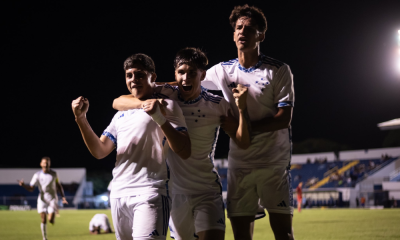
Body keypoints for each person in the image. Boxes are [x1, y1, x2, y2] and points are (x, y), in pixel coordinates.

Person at [113, 47, 251, 240]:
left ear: (202, 75)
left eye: (192, 73)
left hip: (206, 190)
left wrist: (242, 109)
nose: (186, 78)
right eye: (181, 72)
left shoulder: (217, 104)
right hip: (174, 194)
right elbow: (118, 101)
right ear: (175, 74)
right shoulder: (166, 95)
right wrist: (147, 104)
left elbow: (243, 141)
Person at [71, 53, 190, 240]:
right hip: (119, 193)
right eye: (129, 75)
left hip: (151, 191)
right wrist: (81, 119)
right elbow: (100, 151)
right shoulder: (121, 114)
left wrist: (159, 117)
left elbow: (184, 149)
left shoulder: (167, 106)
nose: (134, 79)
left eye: (140, 74)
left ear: (153, 77)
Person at [201, 4, 295, 240]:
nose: (242, 31)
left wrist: (245, 129)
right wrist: (150, 88)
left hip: (273, 164)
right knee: (242, 236)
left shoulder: (279, 70)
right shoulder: (221, 71)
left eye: (249, 28)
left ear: (261, 35)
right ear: (233, 35)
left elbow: (284, 119)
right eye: (238, 27)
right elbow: (187, 82)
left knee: (283, 233)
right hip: (239, 164)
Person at [18, 156, 68, 240]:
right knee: (43, 219)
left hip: (52, 199)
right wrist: (24, 186)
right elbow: (31, 188)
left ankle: (52, 216)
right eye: (44, 162)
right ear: (41, 164)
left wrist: (63, 197)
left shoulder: (54, 174)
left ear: (50, 164)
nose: (46, 164)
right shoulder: (37, 175)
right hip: (42, 199)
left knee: (51, 220)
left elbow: (58, 185)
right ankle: (44, 238)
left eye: (47, 162)